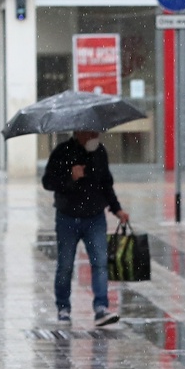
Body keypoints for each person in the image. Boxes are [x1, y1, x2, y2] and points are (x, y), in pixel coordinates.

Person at [42, 130, 128, 327]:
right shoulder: (62, 152)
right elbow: (47, 182)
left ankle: (101, 308)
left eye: (95, 132)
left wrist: (117, 209)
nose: (94, 137)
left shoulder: (100, 153)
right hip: (67, 217)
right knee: (65, 265)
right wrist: (70, 177)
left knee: (100, 263)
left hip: (94, 217)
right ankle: (63, 308)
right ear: (79, 132)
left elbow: (106, 184)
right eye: (90, 133)